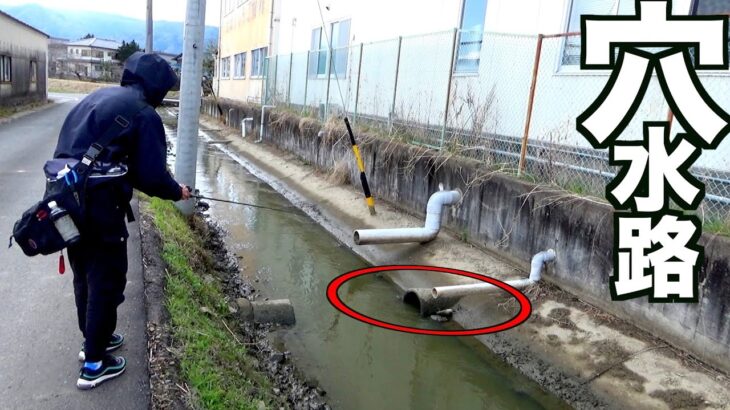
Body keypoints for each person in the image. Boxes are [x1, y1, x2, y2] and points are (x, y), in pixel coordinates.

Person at [53, 52, 191, 390]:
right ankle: (95, 364)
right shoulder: (143, 114)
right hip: (99, 208)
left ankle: (94, 341)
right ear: (156, 86)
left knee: (84, 273)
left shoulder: (98, 98)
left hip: (61, 199)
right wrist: (177, 191)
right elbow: (151, 175)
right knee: (106, 279)